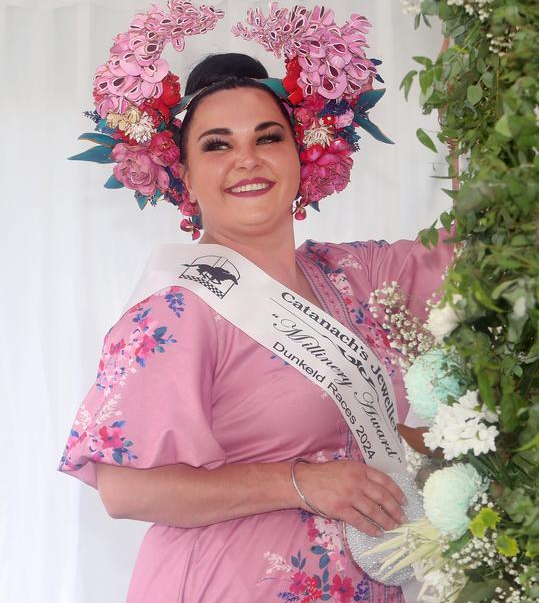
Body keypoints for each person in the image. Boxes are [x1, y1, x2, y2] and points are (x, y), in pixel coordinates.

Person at [59, 42, 455, 602]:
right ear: (187, 179)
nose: (247, 159)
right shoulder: (176, 311)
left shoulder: (354, 275)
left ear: (303, 159)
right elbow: (123, 489)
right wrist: (298, 482)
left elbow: (473, 256)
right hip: (232, 584)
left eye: (268, 138)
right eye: (217, 146)